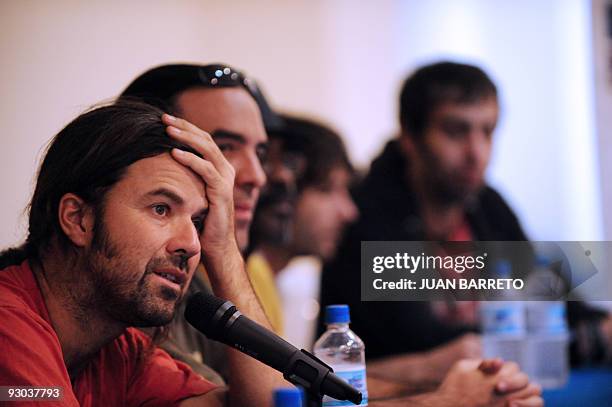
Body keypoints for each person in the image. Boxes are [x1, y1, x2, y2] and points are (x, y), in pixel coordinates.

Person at [0, 101, 286, 406]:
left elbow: (272, 403)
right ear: (78, 219)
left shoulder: (122, 353)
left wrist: (224, 249)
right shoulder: (8, 326)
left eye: (198, 222)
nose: (191, 244)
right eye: (161, 209)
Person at [247, 115, 542, 406]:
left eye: (488, 131)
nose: (349, 212)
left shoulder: (490, 205)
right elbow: (281, 396)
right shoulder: (253, 277)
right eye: (328, 190)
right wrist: (443, 391)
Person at [120, 63, 279, 380]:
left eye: (259, 152)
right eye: (225, 147)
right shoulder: (128, 288)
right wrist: (223, 250)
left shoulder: (193, 287)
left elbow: (277, 395)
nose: (257, 177)